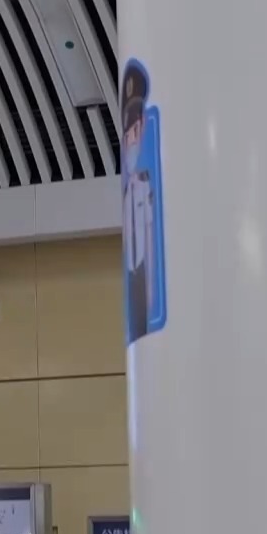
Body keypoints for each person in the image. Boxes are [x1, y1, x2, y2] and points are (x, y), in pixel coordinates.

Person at [121, 63, 153, 342]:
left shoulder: (148, 187)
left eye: (135, 131)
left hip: (145, 282)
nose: (131, 140)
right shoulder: (126, 196)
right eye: (127, 134)